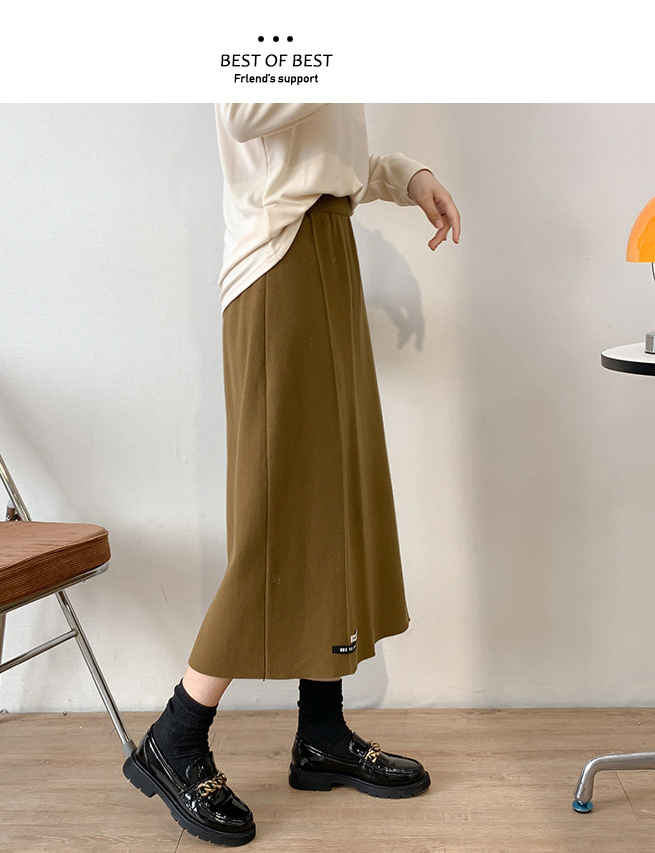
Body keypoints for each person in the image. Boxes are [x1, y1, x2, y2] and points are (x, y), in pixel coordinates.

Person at [123, 103, 461, 846]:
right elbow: (246, 112)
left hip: (327, 248)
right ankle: (176, 733)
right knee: (276, 516)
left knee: (332, 502)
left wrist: (404, 175)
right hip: (278, 264)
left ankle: (322, 731)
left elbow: (321, 156)